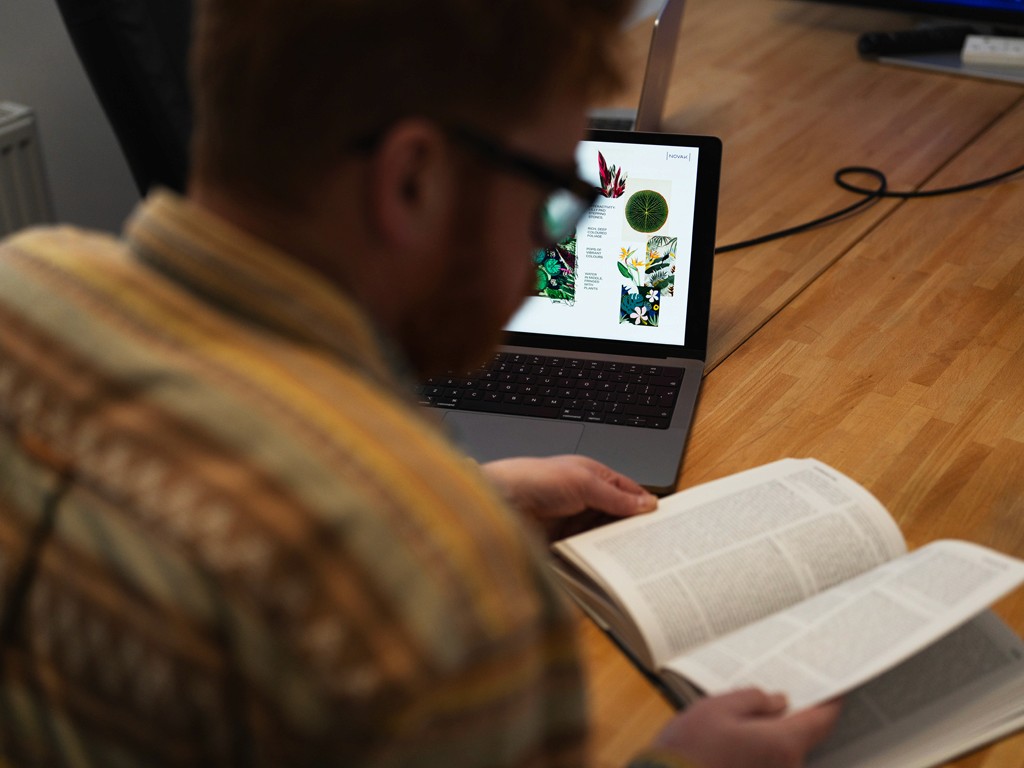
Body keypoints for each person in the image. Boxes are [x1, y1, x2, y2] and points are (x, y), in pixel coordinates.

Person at [0, 0, 841, 765]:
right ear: (412, 179)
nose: (546, 252)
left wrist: (473, 491)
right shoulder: (440, 591)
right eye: (552, 201)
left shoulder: (22, 293)